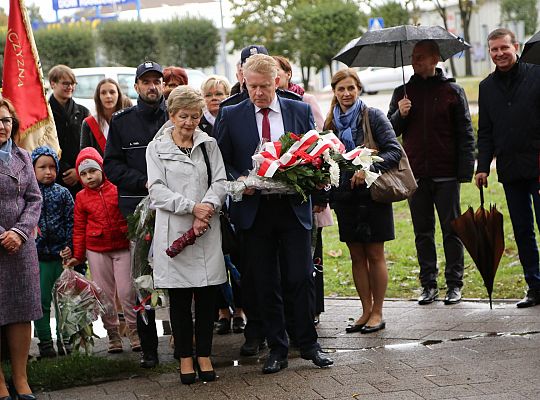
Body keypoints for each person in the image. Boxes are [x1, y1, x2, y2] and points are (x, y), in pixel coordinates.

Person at [216, 53, 333, 374]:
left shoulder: (298, 109)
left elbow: (315, 151)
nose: (257, 93)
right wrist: (240, 180)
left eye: (264, 86)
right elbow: (221, 160)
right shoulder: (231, 114)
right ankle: (277, 348)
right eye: (251, 86)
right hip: (254, 210)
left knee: (300, 276)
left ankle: (308, 344)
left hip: (292, 207)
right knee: (264, 282)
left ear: (276, 82)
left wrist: (314, 182)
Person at [147, 85, 227, 384]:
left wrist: (207, 206)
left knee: (207, 297)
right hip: (175, 233)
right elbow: (156, 190)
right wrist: (191, 207)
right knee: (179, 300)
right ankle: (184, 358)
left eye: (195, 116)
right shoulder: (156, 148)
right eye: (184, 116)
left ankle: (204, 354)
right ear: (171, 115)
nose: (190, 123)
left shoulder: (209, 145)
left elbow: (220, 180)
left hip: (206, 230)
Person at [388, 40, 475, 306]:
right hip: (415, 175)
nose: (416, 61)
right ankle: (428, 285)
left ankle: (454, 284)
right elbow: (389, 132)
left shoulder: (452, 91)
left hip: (446, 172)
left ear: (436, 58)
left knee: (452, 230)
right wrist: (400, 114)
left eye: (422, 57)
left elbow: (465, 133)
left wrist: (464, 171)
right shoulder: (403, 92)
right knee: (422, 232)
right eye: (414, 57)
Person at [324, 69, 401, 334]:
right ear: (334, 92)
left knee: (374, 253)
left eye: (351, 88)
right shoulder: (330, 123)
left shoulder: (373, 116)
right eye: (341, 89)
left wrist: (367, 169)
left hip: (372, 196)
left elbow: (394, 151)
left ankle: (378, 312)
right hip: (345, 198)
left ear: (359, 89)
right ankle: (365, 310)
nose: (346, 94)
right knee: (356, 256)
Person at [104, 60, 168, 368]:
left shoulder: (175, 116)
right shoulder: (121, 122)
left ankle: (188, 341)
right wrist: (143, 181)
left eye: (157, 81)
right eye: (147, 81)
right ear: (137, 86)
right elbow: (112, 166)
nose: (152, 86)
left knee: (181, 277)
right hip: (138, 212)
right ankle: (150, 349)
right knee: (144, 280)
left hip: (175, 209)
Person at [476, 28, 540, 308]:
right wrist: (482, 167)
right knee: (522, 229)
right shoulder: (486, 87)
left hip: (538, 164)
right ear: (489, 52)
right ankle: (534, 285)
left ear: (515, 47)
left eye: (504, 48)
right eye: (494, 50)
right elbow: (486, 132)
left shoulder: (536, 74)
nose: (500, 53)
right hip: (510, 168)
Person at [65, 147, 140, 354]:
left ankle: (134, 331)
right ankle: (113, 334)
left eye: (93, 171)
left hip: (123, 246)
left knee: (127, 291)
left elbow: (130, 213)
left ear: (102, 169)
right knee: (104, 295)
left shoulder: (117, 188)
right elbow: (79, 227)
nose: (89, 177)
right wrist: (78, 256)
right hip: (97, 249)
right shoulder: (81, 197)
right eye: (84, 174)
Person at [0, 98, 42, 400]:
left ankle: (21, 378)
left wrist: (19, 232)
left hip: (21, 246)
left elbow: (34, 198)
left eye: (5, 120)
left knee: (20, 311)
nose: (1, 126)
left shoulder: (23, 156)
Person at [31, 146, 74, 358]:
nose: (48, 172)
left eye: (51, 167)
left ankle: (66, 339)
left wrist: (69, 246)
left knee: (63, 300)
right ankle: (45, 341)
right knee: (40, 301)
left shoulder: (63, 193)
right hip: (38, 258)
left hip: (60, 257)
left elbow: (71, 221)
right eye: (42, 167)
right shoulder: (29, 195)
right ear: (32, 169)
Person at [48, 64, 90, 197]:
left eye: (73, 83)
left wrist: (78, 171)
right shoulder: (44, 113)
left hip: (80, 176)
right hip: (52, 176)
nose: (70, 87)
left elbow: (89, 146)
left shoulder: (83, 112)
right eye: (65, 83)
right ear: (52, 84)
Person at [272, 55, 325, 129]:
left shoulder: (307, 99)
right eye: (269, 71)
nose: (272, 75)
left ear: (288, 74)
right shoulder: (266, 101)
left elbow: (321, 129)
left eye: (275, 70)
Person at [80, 78, 127, 156]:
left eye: (112, 92)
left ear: (118, 95)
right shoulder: (88, 123)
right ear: (98, 97)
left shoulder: (128, 120)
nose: (108, 96)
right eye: (103, 93)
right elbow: (85, 156)